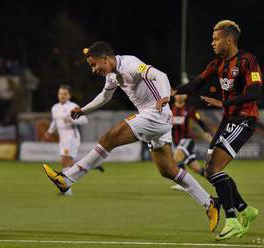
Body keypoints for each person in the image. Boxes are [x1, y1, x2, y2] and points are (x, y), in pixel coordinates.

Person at [43, 41, 220, 231]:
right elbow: (105, 96)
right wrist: (84, 110)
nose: (94, 70)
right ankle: (210, 203)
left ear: (105, 58)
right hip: (154, 118)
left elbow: (160, 75)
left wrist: (165, 97)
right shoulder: (112, 76)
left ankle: (67, 178)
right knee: (168, 170)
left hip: (156, 114)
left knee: (109, 137)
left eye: (94, 64)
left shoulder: (130, 64)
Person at [174, 20, 261, 240]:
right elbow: (196, 84)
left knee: (214, 167)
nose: (212, 43)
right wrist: (172, 92)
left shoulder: (247, 60)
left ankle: (232, 220)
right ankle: (245, 210)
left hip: (244, 119)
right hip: (229, 119)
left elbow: (255, 92)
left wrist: (224, 104)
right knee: (211, 169)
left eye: (216, 39)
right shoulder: (216, 64)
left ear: (229, 39)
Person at [45, 85, 104, 195]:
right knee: (68, 162)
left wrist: (72, 121)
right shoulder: (55, 107)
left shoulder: (73, 107)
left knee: (64, 160)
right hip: (62, 138)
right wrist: (49, 131)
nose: (62, 96)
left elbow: (84, 120)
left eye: (65, 94)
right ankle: (92, 165)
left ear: (69, 95)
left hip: (71, 137)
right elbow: (55, 121)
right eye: (60, 93)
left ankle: (66, 189)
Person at [168, 94, 212, 191]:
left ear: (186, 96)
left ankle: (183, 184)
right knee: (196, 168)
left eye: (182, 94)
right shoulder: (170, 109)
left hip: (187, 140)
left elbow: (199, 121)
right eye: (177, 94)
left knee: (176, 156)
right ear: (174, 96)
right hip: (175, 142)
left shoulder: (189, 109)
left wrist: (206, 132)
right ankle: (216, 180)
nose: (179, 96)